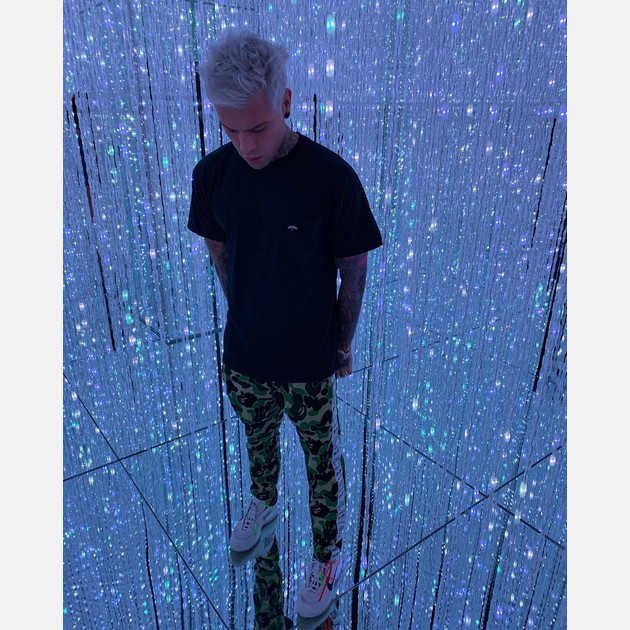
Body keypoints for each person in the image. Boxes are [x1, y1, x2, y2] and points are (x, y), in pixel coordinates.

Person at [187, 27, 383, 620]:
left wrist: (341, 345)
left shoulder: (331, 178)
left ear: (287, 101)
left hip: (308, 362)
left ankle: (326, 556)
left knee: (321, 464)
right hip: (245, 357)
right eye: (231, 130)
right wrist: (246, 316)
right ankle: (263, 504)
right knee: (257, 440)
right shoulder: (211, 176)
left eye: (258, 127)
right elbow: (221, 255)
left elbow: (354, 268)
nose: (245, 145)